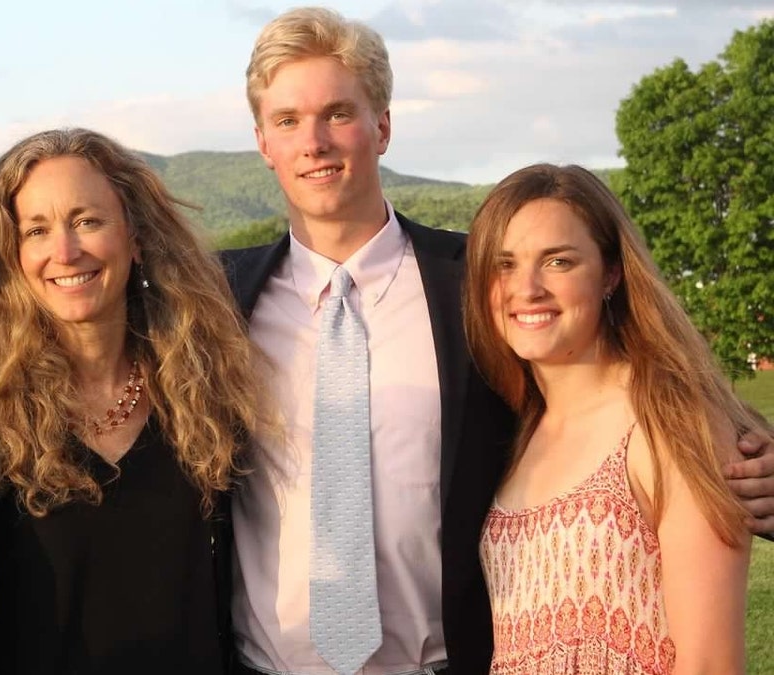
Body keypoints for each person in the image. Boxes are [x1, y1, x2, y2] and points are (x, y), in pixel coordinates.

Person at [221, 7, 774, 675]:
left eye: (338, 113)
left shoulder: (482, 287)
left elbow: (618, 382)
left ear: (383, 126)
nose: (314, 142)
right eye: (287, 121)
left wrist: (752, 457)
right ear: (262, 141)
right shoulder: (217, 300)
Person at [0, 127, 266, 674]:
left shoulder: (205, 386)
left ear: (134, 238)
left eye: (87, 221)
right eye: (36, 230)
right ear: (11, 254)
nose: (65, 251)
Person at [465, 163, 763, 674]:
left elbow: (711, 664)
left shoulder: (669, 422)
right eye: (504, 264)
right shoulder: (516, 429)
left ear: (611, 272)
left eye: (558, 262)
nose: (527, 288)